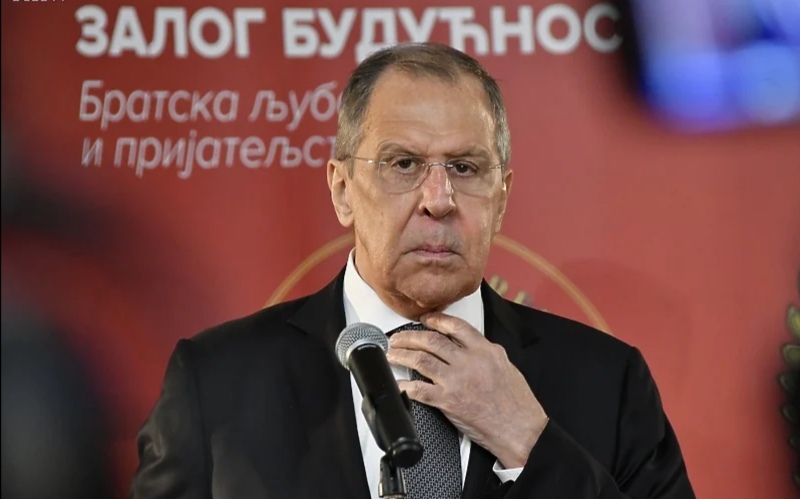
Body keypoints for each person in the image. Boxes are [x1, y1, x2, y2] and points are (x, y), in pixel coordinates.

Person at [130, 42, 695, 498]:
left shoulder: (608, 383)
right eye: (403, 164)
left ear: (501, 198)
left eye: (465, 167)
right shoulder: (217, 382)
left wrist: (528, 442)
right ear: (343, 190)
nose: (439, 199)